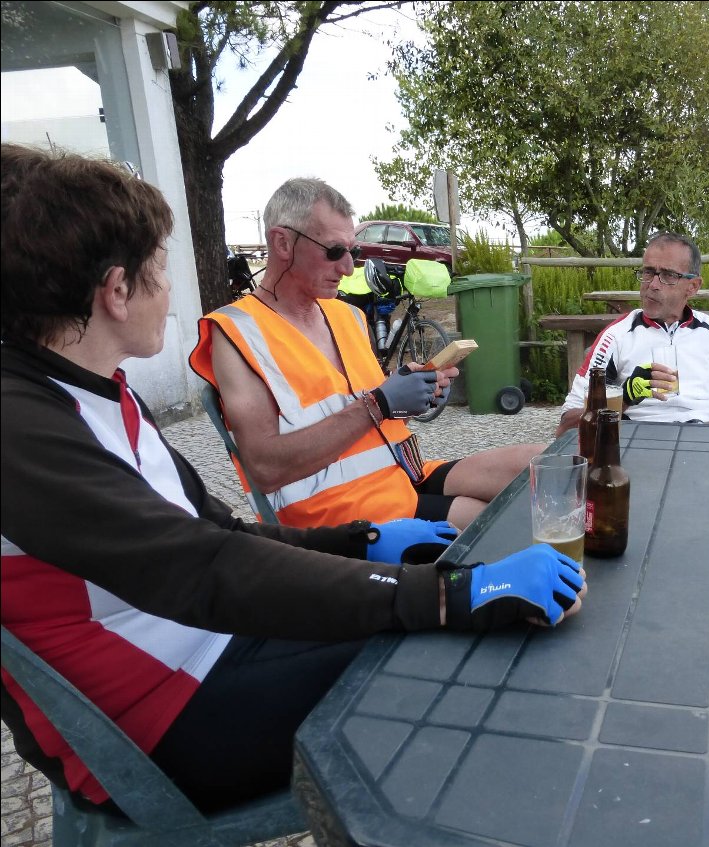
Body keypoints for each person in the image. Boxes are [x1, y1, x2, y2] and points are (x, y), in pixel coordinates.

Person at [0, 143, 586, 814]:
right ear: (116, 290)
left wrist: (363, 542)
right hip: (151, 721)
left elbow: (217, 531)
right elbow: (209, 567)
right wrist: (448, 594)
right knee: (451, 663)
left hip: (206, 649)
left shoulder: (100, 394)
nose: (170, 291)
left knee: (443, 632)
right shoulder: (22, 426)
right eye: (161, 269)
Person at [190, 178, 543, 530]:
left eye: (352, 252)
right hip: (340, 514)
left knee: (544, 463)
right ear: (282, 242)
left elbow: (367, 410)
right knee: (501, 524)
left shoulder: (349, 317)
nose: (347, 268)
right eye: (333, 251)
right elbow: (265, 470)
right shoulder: (237, 333)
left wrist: (414, 394)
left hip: (403, 474)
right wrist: (380, 404)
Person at [556, 232, 709, 434]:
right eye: (648, 272)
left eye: (668, 275)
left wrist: (701, 435)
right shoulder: (616, 335)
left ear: (693, 287)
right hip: (635, 443)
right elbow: (566, 425)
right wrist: (624, 397)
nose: (653, 285)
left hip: (702, 442)